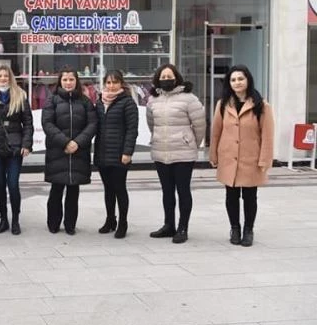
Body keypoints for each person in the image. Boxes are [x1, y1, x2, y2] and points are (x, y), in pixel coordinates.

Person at [209, 65, 274, 247]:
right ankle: (234, 228)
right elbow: (216, 132)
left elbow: (267, 135)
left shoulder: (261, 105)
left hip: (250, 158)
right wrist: (213, 154)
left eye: (240, 79)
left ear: (248, 80)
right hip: (228, 158)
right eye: (233, 80)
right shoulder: (222, 104)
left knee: (250, 196)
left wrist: (264, 160)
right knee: (231, 196)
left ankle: (248, 230)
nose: (237, 83)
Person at [146, 63, 206, 244]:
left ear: (176, 77)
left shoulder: (189, 99)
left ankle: (182, 227)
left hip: (183, 153)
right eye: (162, 77)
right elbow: (151, 124)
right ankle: (168, 225)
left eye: (169, 76)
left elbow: (200, 125)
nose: (166, 80)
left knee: (183, 190)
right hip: (161, 151)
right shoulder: (153, 100)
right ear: (158, 79)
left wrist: (191, 142)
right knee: (167, 191)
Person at [42, 66, 97, 235]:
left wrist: (77, 143)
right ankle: (53, 223)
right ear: (60, 81)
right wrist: (65, 142)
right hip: (58, 151)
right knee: (56, 190)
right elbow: (47, 124)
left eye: (71, 79)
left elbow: (92, 124)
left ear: (76, 81)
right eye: (65, 79)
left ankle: (70, 224)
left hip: (79, 152)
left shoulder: (85, 101)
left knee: (74, 191)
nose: (68, 83)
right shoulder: (52, 100)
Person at [0, 65, 33, 235]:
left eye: (5, 76)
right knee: (0, 185)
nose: (2, 79)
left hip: (14, 149)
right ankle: (3, 220)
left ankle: (16, 219)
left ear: (11, 78)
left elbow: (28, 123)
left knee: (13, 184)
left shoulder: (20, 96)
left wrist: (26, 145)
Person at [93, 70, 138, 239]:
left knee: (119, 188)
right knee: (108, 189)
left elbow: (132, 130)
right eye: (109, 82)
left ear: (121, 84)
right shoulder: (99, 102)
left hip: (120, 154)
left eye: (115, 82)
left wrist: (127, 152)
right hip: (102, 153)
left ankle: (123, 223)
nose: (111, 86)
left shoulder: (127, 103)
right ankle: (110, 219)